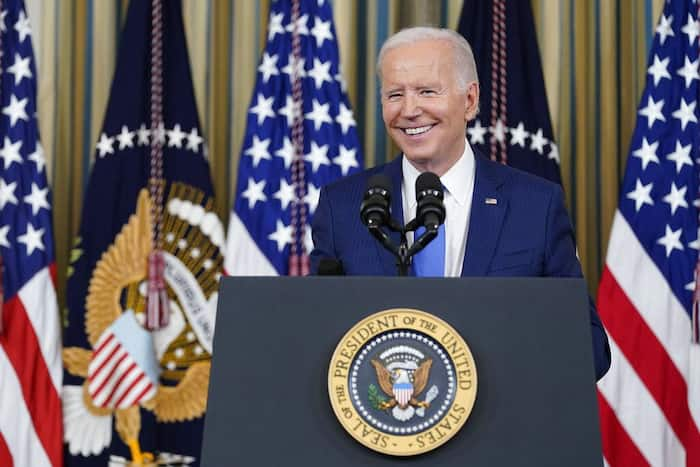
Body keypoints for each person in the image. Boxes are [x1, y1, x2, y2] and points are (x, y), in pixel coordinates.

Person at [310, 27, 610, 380]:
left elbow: (588, 350)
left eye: (426, 91)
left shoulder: (535, 206)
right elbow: (316, 340)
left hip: (501, 426)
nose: (409, 110)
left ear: (469, 100)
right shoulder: (343, 205)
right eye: (394, 94)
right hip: (384, 421)